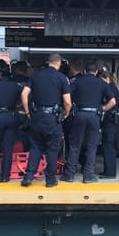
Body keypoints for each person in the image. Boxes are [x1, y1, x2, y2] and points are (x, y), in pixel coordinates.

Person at [20, 53, 72, 188]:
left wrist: (27, 112)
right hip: (52, 119)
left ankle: (28, 177)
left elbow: (24, 94)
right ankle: (50, 180)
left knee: (35, 148)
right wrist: (66, 114)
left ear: (48, 62)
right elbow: (67, 102)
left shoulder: (35, 75)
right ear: (58, 63)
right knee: (52, 150)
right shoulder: (62, 78)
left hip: (36, 118)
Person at [61, 61, 116, 184]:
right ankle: (88, 176)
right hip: (94, 116)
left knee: (75, 145)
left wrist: (67, 111)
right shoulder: (102, 83)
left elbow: (66, 97)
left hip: (79, 114)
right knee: (92, 146)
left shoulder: (76, 82)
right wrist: (102, 109)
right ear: (96, 71)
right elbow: (113, 102)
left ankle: (69, 174)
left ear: (85, 71)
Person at [98, 66, 119, 179]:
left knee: (108, 145)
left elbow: (111, 102)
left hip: (109, 120)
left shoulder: (109, 88)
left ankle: (110, 172)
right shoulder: (113, 87)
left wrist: (102, 109)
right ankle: (108, 170)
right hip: (111, 120)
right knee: (108, 145)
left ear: (106, 78)